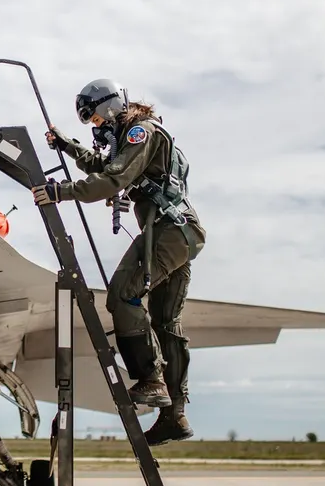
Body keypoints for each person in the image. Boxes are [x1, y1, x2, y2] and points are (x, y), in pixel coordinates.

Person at [32, 79, 205, 446]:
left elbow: (110, 180)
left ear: (109, 107)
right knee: (165, 323)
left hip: (169, 233)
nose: (96, 127)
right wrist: (67, 145)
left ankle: (151, 380)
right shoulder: (134, 139)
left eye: (95, 119)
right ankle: (174, 415)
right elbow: (105, 164)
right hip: (181, 234)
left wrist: (58, 192)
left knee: (122, 294)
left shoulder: (141, 132)